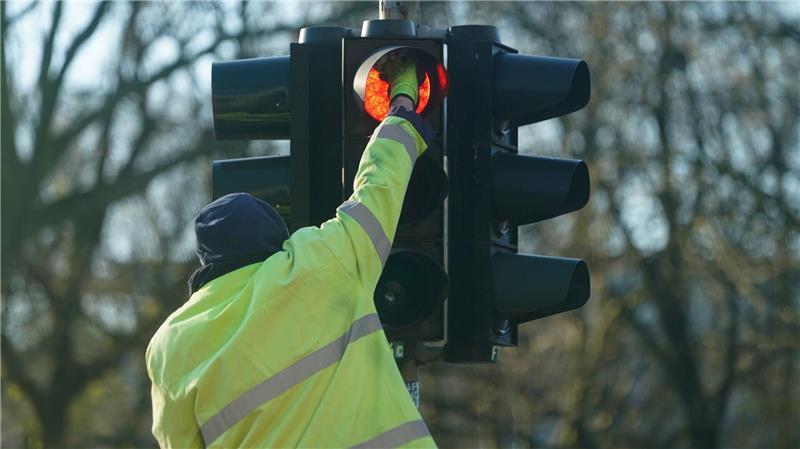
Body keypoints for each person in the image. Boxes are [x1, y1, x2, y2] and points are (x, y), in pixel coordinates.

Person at [146, 56, 438, 448]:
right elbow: (378, 185)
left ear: (208, 264)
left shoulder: (171, 347)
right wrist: (402, 102)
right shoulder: (319, 260)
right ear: (275, 242)